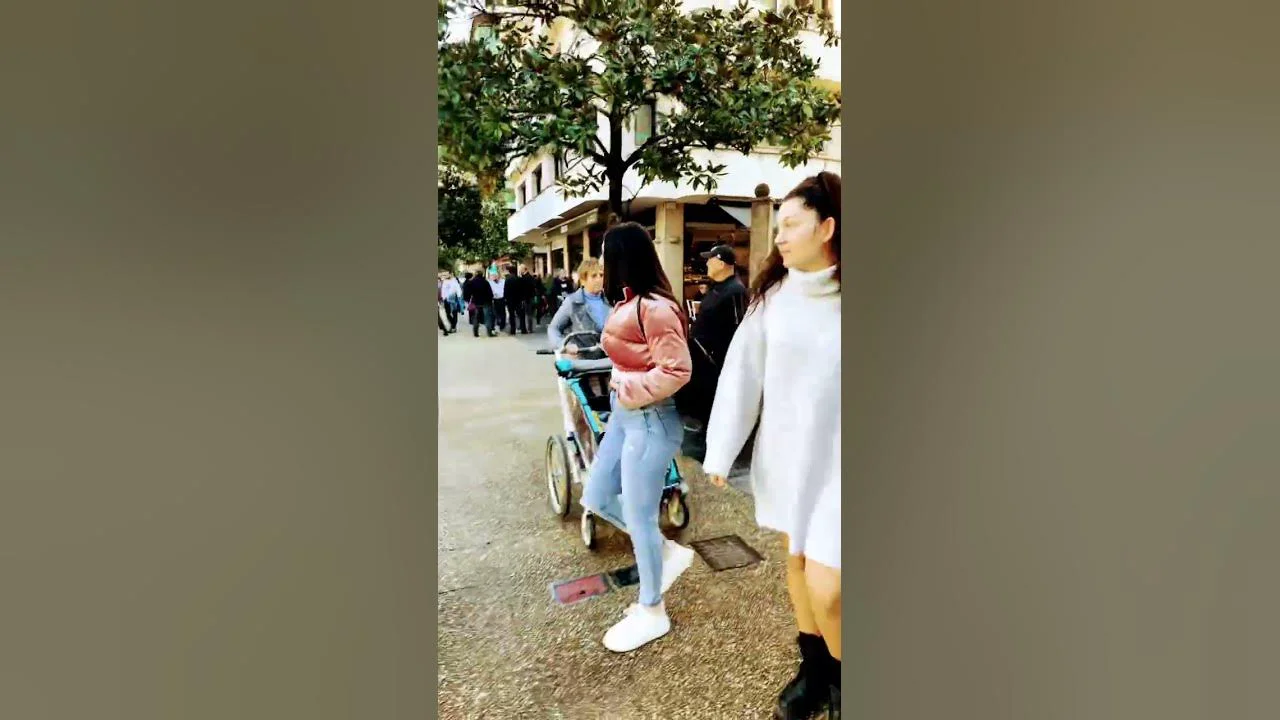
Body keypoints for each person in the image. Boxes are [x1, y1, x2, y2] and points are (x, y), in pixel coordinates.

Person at [703, 172, 842, 719]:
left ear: (827, 227)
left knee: (830, 587)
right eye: (778, 225)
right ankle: (815, 672)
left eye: (791, 224)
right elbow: (742, 376)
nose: (779, 237)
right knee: (798, 560)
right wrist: (721, 450)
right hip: (790, 457)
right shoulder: (772, 300)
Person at [581, 222, 696, 653]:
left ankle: (652, 610)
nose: (601, 262)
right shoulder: (628, 302)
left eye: (605, 254)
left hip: (650, 421)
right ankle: (665, 553)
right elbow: (631, 358)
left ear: (621, 257)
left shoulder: (654, 307)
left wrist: (626, 388)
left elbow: (677, 370)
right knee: (596, 495)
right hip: (626, 418)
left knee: (641, 517)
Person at [676, 244, 748, 461]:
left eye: (710, 259)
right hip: (700, 361)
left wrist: (727, 363)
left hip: (715, 364)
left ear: (722, 263)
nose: (706, 263)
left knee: (712, 410)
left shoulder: (735, 291)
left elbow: (739, 328)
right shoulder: (715, 288)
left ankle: (713, 453)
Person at [547, 258, 609, 353]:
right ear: (583, 280)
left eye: (601, 275)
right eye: (594, 276)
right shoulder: (572, 302)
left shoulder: (611, 301)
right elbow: (553, 328)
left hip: (610, 358)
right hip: (583, 357)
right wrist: (563, 344)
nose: (599, 279)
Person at [463, 269, 496, 338]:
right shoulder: (485, 282)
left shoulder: (472, 282)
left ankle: (476, 333)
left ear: (475, 274)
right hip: (486, 302)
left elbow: (467, 292)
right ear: (482, 275)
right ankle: (489, 332)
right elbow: (490, 293)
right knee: (487, 318)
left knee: (476, 318)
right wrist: (491, 300)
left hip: (476, 302)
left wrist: (468, 299)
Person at [503, 264, 528, 335]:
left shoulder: (507, 280)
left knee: (512, 315)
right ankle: (523, 329)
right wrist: (522, 298)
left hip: (510, 300)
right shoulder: (519, 279)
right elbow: (522, 290)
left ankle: (512, 330)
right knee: (521, 315)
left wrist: (505, 298)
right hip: (518, 299)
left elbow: (506, 290)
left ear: (509, 271)